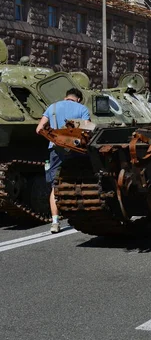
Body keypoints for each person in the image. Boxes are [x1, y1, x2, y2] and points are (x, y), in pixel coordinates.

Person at [36, 88, 90, 234]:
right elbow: (87, 129)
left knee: (55, 185)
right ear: (78, 99)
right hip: (76, 150)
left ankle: (55, 222)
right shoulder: (82, 108)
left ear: (66, 97)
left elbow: (39, 129)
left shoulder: (52, 107)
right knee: (82, 180)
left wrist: (55, 138)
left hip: (56, 149)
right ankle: (83, 214)